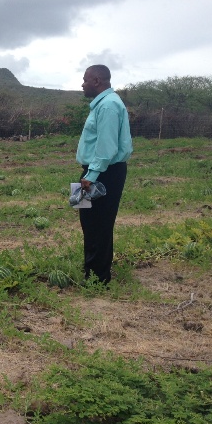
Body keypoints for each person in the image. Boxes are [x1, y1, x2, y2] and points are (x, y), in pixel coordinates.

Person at [76, 65, 133, 284]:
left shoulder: (108, 105)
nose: (82, 84)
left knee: (99, 224)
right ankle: (91, 270)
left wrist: (91, 175)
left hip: (102, 172)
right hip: (92, 170)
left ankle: (98, 278)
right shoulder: (101, 104)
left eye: (85, 80)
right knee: (88, 221)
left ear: (97, 81)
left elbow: (106, 147)